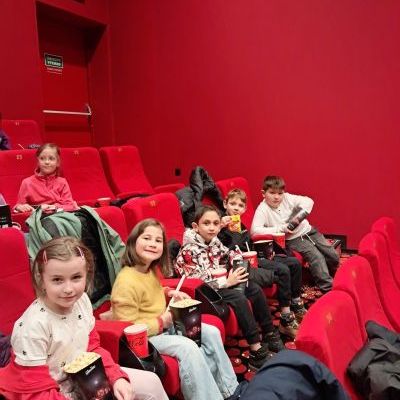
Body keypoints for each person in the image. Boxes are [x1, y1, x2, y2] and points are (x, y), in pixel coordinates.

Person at [0, 236, 168, 400]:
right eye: (57, 280)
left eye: (76, 277)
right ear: (41, 280)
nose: (68, 289)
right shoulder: (33, 326)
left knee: (150, 383)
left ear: (86, 274)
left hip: (86, 377)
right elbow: (35, 392)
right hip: (50, 389)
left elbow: (92, 348)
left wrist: (116, 377)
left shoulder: (81, 301)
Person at [111, 218, 242, 400]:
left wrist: (169, 292)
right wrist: (161, 322)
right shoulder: (126, 281)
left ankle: (230, 390)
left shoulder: (148, 270)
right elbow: (127, 327)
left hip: (165, 327)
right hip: (147, 339)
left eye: (158, 240)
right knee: (187, 347)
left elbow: (151, 293)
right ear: (133, 242)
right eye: (147, 238)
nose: (152, 244)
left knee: (210, 332)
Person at [175, 205, 282, 368]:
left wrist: (235, 262)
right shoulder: (188, 251)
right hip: (205, 293)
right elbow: (197, 284)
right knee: (238, 297)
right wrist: (227, 282)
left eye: (215, 223)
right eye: (206, 223)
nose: (212, 228)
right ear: (196, 226)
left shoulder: (214, 242)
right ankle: (256, 350)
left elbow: (229, 253)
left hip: (223, 283)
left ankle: (269, 333)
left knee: (253, 289)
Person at [219, 188, 307, 339]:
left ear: (244, 209)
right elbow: (227, 250)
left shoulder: (241, 225)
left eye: (240, 206)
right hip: (239, 263)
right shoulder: (220, 226)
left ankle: (295, 303)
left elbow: (249, 245)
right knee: (282, 270)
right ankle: (286, 318)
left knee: (293, 263)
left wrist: (266, 252)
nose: (236, 208)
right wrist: (223, 226)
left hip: (255, 257)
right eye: (232, 204)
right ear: (225, 204)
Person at [251, 176, 340, 293]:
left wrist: (297, 218)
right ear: (263, 193)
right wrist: (281, 228)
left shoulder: (287, 198)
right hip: (293, 239)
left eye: (280, 193)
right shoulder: (262, 209)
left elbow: (309, 201)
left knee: (332, 255)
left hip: (308, 230)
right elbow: (255, 230)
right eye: (272, 193)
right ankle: (328, 288)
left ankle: (325, 275)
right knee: (316, 256)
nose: (276, 197)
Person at [14, 143, 79, 213]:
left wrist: (51, 207)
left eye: (51, 158)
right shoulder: (27, 183)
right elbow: (19, 206)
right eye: (42, 158)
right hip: (38, 217)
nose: (47, 162)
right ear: (38, 161)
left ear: (57, 162)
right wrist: (19, 207)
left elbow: (70, 205)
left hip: (60, 215)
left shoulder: (62, 182)